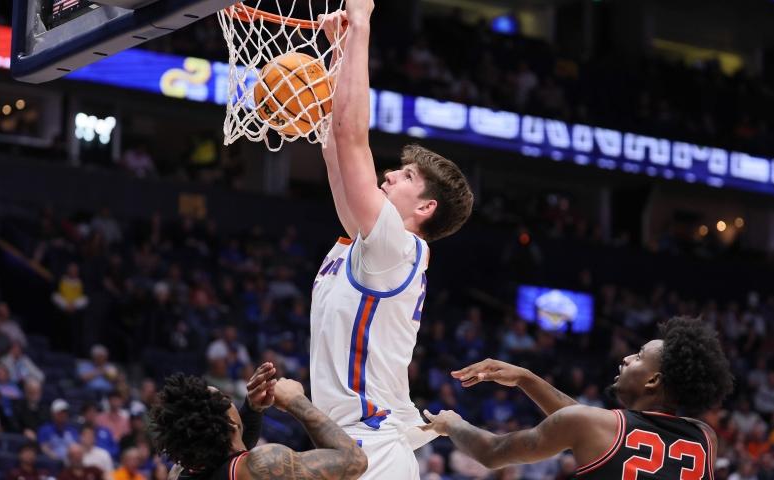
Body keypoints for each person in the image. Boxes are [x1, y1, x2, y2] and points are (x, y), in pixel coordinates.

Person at [310, 3, 474, 478]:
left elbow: (351, 138)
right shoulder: (368, 245)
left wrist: (360, 24)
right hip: (359, 444)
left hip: (372, 448)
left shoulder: (398, 249)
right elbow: (335, 148)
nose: (389, 175)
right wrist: (340, 50)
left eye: (405, 176)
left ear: (425, 208)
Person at [421, 316, 735, 479]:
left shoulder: (594, 426)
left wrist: (452, 424)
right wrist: (526, 378)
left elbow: (493, 452)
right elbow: (589, 426)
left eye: (639, 356)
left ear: (653, 380)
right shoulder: (705, 438)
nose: (626, 358)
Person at [150, 363, 367, 480]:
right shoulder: (266, 466)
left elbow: (228, 456)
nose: (231, 401)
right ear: (231, 424)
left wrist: (252, 409)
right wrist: (295, 401)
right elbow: (354, 461)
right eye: (225, 399)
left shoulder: (178, 473)